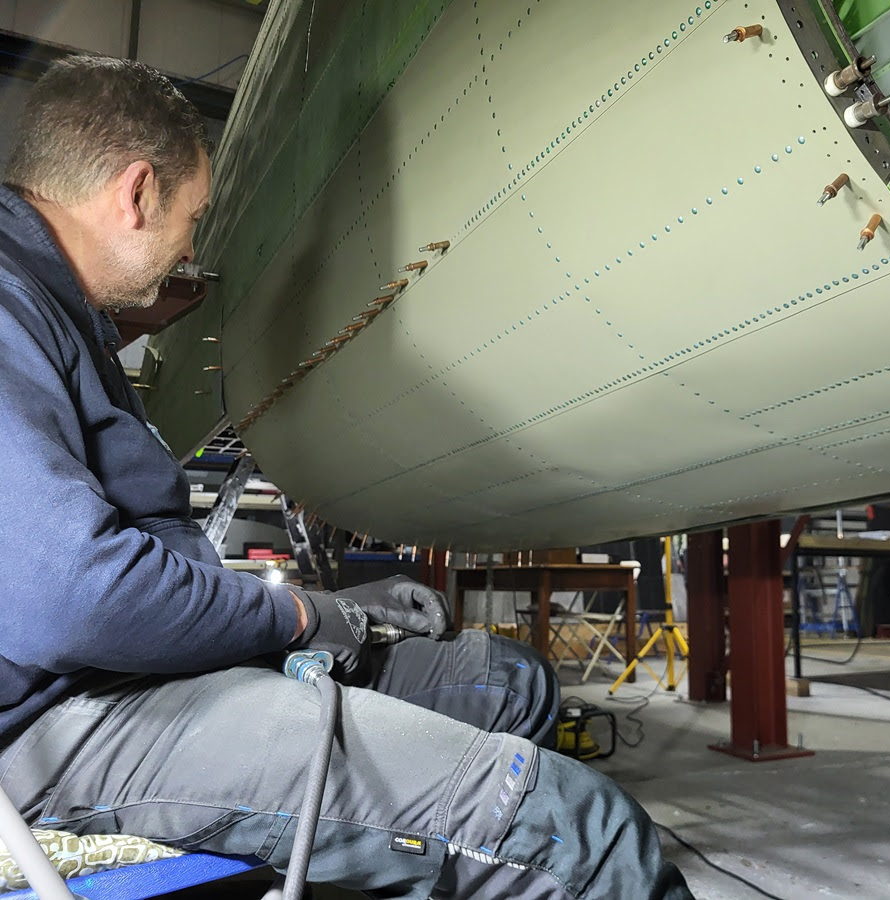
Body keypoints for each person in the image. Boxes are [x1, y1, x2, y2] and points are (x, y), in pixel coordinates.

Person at [0, 56, 693, 899]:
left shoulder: (58, 314)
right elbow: (77, 597)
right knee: (584, 831)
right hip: (61, 717)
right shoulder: (8, 308)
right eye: (192, 217)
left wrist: (336, 615)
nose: (191, 245)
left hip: (128, 667)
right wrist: (297, 614)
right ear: (136, 192)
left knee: (509, 682)